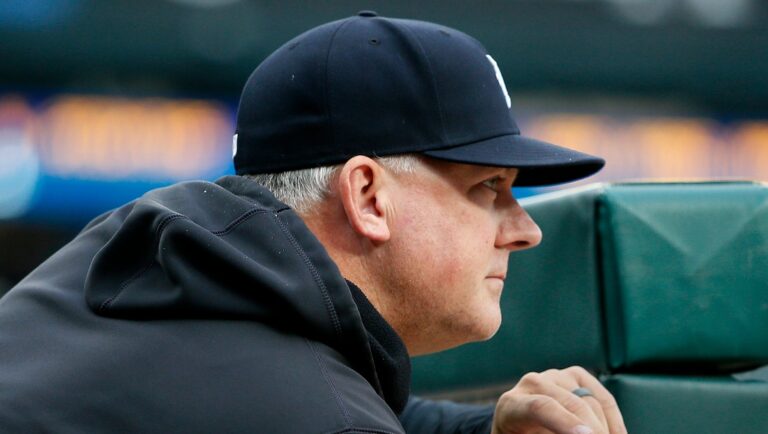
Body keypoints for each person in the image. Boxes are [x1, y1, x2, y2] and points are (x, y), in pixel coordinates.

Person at [0, 12, 626, 434]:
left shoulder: (134, 253)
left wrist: (481, 426)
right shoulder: (319, 410)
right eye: (488, 187)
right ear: (368, 197)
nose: (524, 229)